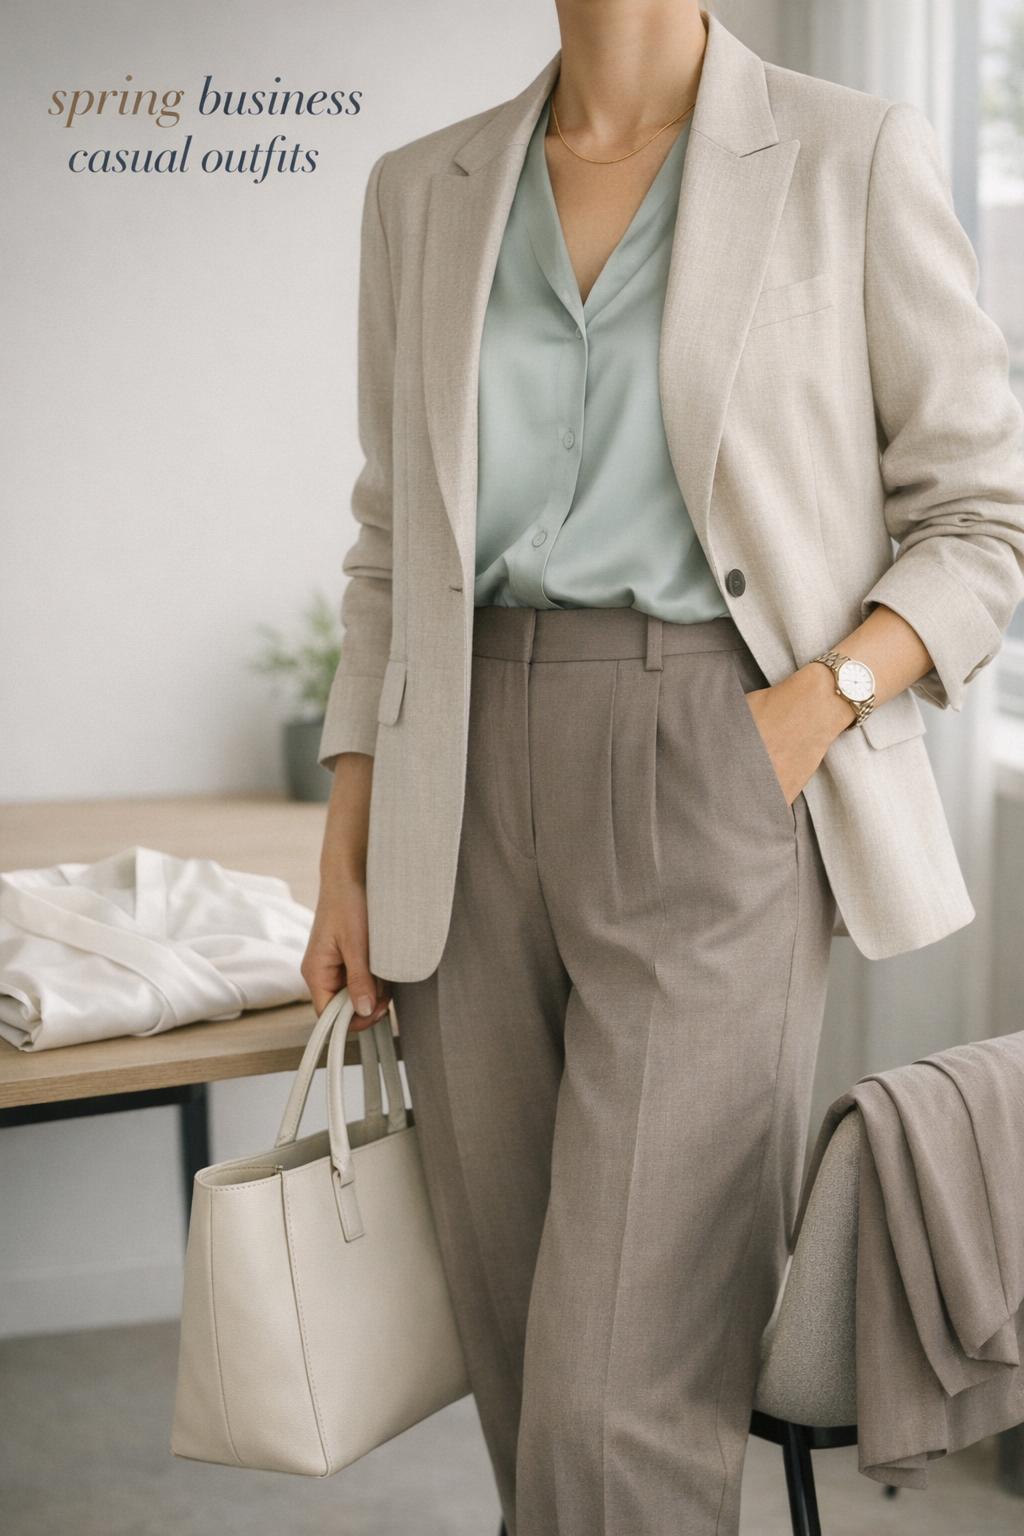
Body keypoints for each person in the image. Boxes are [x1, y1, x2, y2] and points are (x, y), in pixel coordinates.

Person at [301, 5, 1024, 1533]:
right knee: (520, 1372)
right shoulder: (418, 190)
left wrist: (814, 703)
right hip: (460, 794)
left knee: (620, 1391)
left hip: (717, 759)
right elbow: (389, 547)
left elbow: (984, 515)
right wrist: (349, 834)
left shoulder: (849, 152)